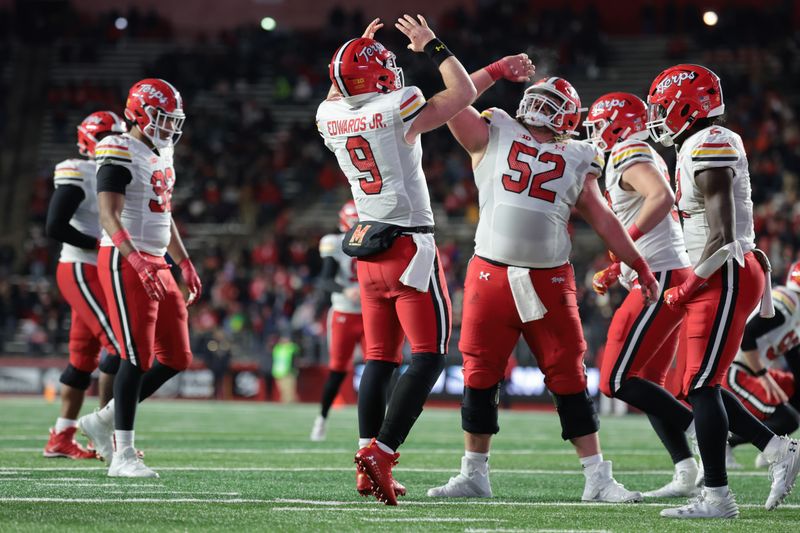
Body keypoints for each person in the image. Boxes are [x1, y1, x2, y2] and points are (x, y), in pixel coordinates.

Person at [426, 64, 658, 503]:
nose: (542, 106)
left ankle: (597, 477)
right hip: (490, 274)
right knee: (478, 373)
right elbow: (455, 97)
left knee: (568, 374)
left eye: (553, 103)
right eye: (541, 98)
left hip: (548, 278)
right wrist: (491, 69)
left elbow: (603, 217)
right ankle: (474, 473)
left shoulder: (579, 153)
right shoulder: (495, 128)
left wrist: (639, 264)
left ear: (569, 117)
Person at [316, 16, 476, 505]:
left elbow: (335, 92)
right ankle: (383, 453)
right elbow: (463, 92)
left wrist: (356, 53)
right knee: (428, 357)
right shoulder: (396, 106)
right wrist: (431, 44)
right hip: (409, 248)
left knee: (379, 361)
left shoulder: (329, 117)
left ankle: (365, 461)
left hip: (368, 251)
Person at [647, 64, 800, 518]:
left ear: (687, 106)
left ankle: (717, 496)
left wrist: (690, 285)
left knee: (699, 384)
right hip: (721, 272)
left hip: (724, 271)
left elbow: (722, 232)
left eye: (664, 107)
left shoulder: (709, 143)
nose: (659, 116)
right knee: (701, 383)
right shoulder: (697, 143)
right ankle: (775, 449)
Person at [77, 78, 202, 478]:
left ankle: (103, 419)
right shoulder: (117, 147)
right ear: (139, 113)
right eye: (162, 118)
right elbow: (109, 215)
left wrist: (183, 262)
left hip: (156, 258)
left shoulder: (162, 151)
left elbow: (164, 217)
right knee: (136, 355)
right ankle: (123, 455)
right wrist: (136, 260)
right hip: (123, 257)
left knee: (178, 356)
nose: (170, 127)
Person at [586, 92, 700, 498]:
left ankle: (702, 430)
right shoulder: (635, 151)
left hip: (663, 274)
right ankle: (687, 470)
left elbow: (661, 197)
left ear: (616, 124)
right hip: (663, 271)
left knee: (614, 378)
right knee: (647, 381)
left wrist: (624, 249)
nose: (595, 134)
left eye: (599, 126)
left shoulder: (627, 151)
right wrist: (621, 264)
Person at [43, 111, 126, 460]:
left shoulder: (120, 168)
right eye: (108, 136)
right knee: (121, 345)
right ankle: (105, 435)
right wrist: (100, 245)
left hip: (97, 270)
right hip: (81, 267)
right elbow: (55, 225)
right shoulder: (80, 169)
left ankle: (62, 436)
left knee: (82, 360)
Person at [725, 262, 800, 464]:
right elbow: (748, 335)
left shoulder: (796, 311)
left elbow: (795, 360)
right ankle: (725, 442)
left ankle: (769, 450)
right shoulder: (788, 301)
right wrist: (764, 377)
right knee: (788, 418)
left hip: (753, 370)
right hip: (734, 371)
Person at [310, 201, 363, 441]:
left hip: (371, 312)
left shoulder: (376, 241)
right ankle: (321, 418)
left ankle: (380, 425)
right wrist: (344, 290)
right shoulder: (334, 243)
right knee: (338, 368)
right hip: (344, 312)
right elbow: (324, 280)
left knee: (381, 364)